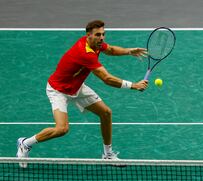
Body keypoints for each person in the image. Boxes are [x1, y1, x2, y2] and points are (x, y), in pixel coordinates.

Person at [16, 20, 148, 168]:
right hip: (58, 90)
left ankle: (108, 154)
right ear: (88, 35)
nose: (102, 38)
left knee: (106, 113)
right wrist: (133, 85)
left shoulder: (94, 44)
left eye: (103, 34)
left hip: (77, 87)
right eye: (98, 35)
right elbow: (107, 78)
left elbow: (110, 49)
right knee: (62, 129)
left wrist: (129, 51)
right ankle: (25, 143)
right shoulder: (85, 53)